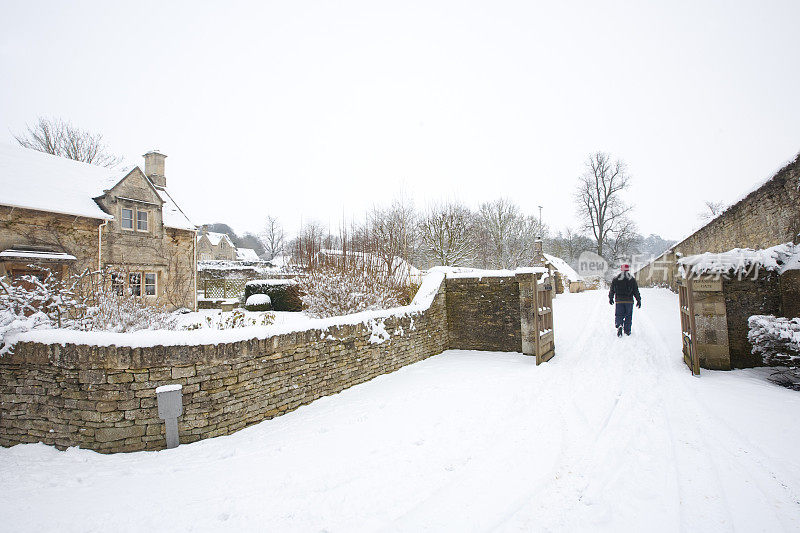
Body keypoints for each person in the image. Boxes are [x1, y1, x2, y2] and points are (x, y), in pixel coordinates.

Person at [608, 264, 641, 337]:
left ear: (621, 269)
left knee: (619, 315)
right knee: (628, 316)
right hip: (629, 301)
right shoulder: (632, 279)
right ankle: (627, 330)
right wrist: (638, 300)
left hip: (619, 301)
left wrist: (611, 298)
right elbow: (636, 291)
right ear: (628, 269)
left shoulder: (616, 279)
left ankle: (619, 325)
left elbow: (612, 290)